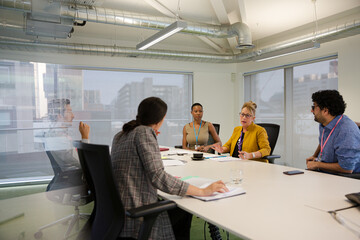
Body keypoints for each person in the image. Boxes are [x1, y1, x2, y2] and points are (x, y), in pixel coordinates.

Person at [111, 97, 228, 240]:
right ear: (160, 119)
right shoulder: (143, 132)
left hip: (120, 209)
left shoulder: (121, 134)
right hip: (138, 211)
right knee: (185, 207)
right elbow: (158, 177)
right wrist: (201, 191)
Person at [306, 90, 360, 174]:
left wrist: (317, 164)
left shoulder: (346, 130)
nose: (311, 111)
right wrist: (315, 156)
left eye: (314, 107)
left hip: (343, 178)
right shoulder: (324, 123)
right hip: (325, 173)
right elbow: (323, 141)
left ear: (325, 111)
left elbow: (347, 168)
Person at [44, 98, 90, 171]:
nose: (73, 116)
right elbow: (83, 162)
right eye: (69, 112)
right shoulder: (57, 138)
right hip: (76, 177)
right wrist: (85, 137)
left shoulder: (57, 134)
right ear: (59, 115)